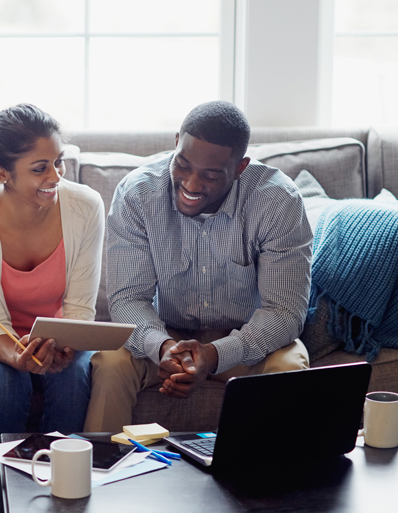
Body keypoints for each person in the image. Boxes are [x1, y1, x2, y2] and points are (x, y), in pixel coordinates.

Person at [84, 100, 312, 433]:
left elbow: (285, 311)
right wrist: (162, 347)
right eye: (183, 165)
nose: (191, 184)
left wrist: (215, 354)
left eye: (210, 175)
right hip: (166, 336)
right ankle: (102, 476)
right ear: (176, 143)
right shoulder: (137, 193)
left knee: (290, 365)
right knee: (111, 361)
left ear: (239, 167)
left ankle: (264, 481)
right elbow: (128, 299)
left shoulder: (278, 202)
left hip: (244, 342)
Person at [0, 103, 104, 512]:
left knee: (72, 380)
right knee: (5, 384)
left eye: (58, 163)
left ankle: (62, 502)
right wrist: (19, 355)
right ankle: (6, 505)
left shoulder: (86, 207)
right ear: (2, 173)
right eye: (39, 168)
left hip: (60, 335)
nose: (55, 177)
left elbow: (80, 308)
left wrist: (66, 344)